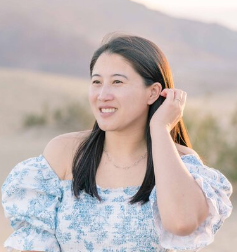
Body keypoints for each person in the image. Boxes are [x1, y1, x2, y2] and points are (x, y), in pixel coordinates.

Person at [1, 33, 233, 252]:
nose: (103, 94)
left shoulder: (180, 163)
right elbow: (30, 243)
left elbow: (181, 223)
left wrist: (161, 129)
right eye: (97, 82)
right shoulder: (64, 154)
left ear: (153, 93)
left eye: (117, 82)